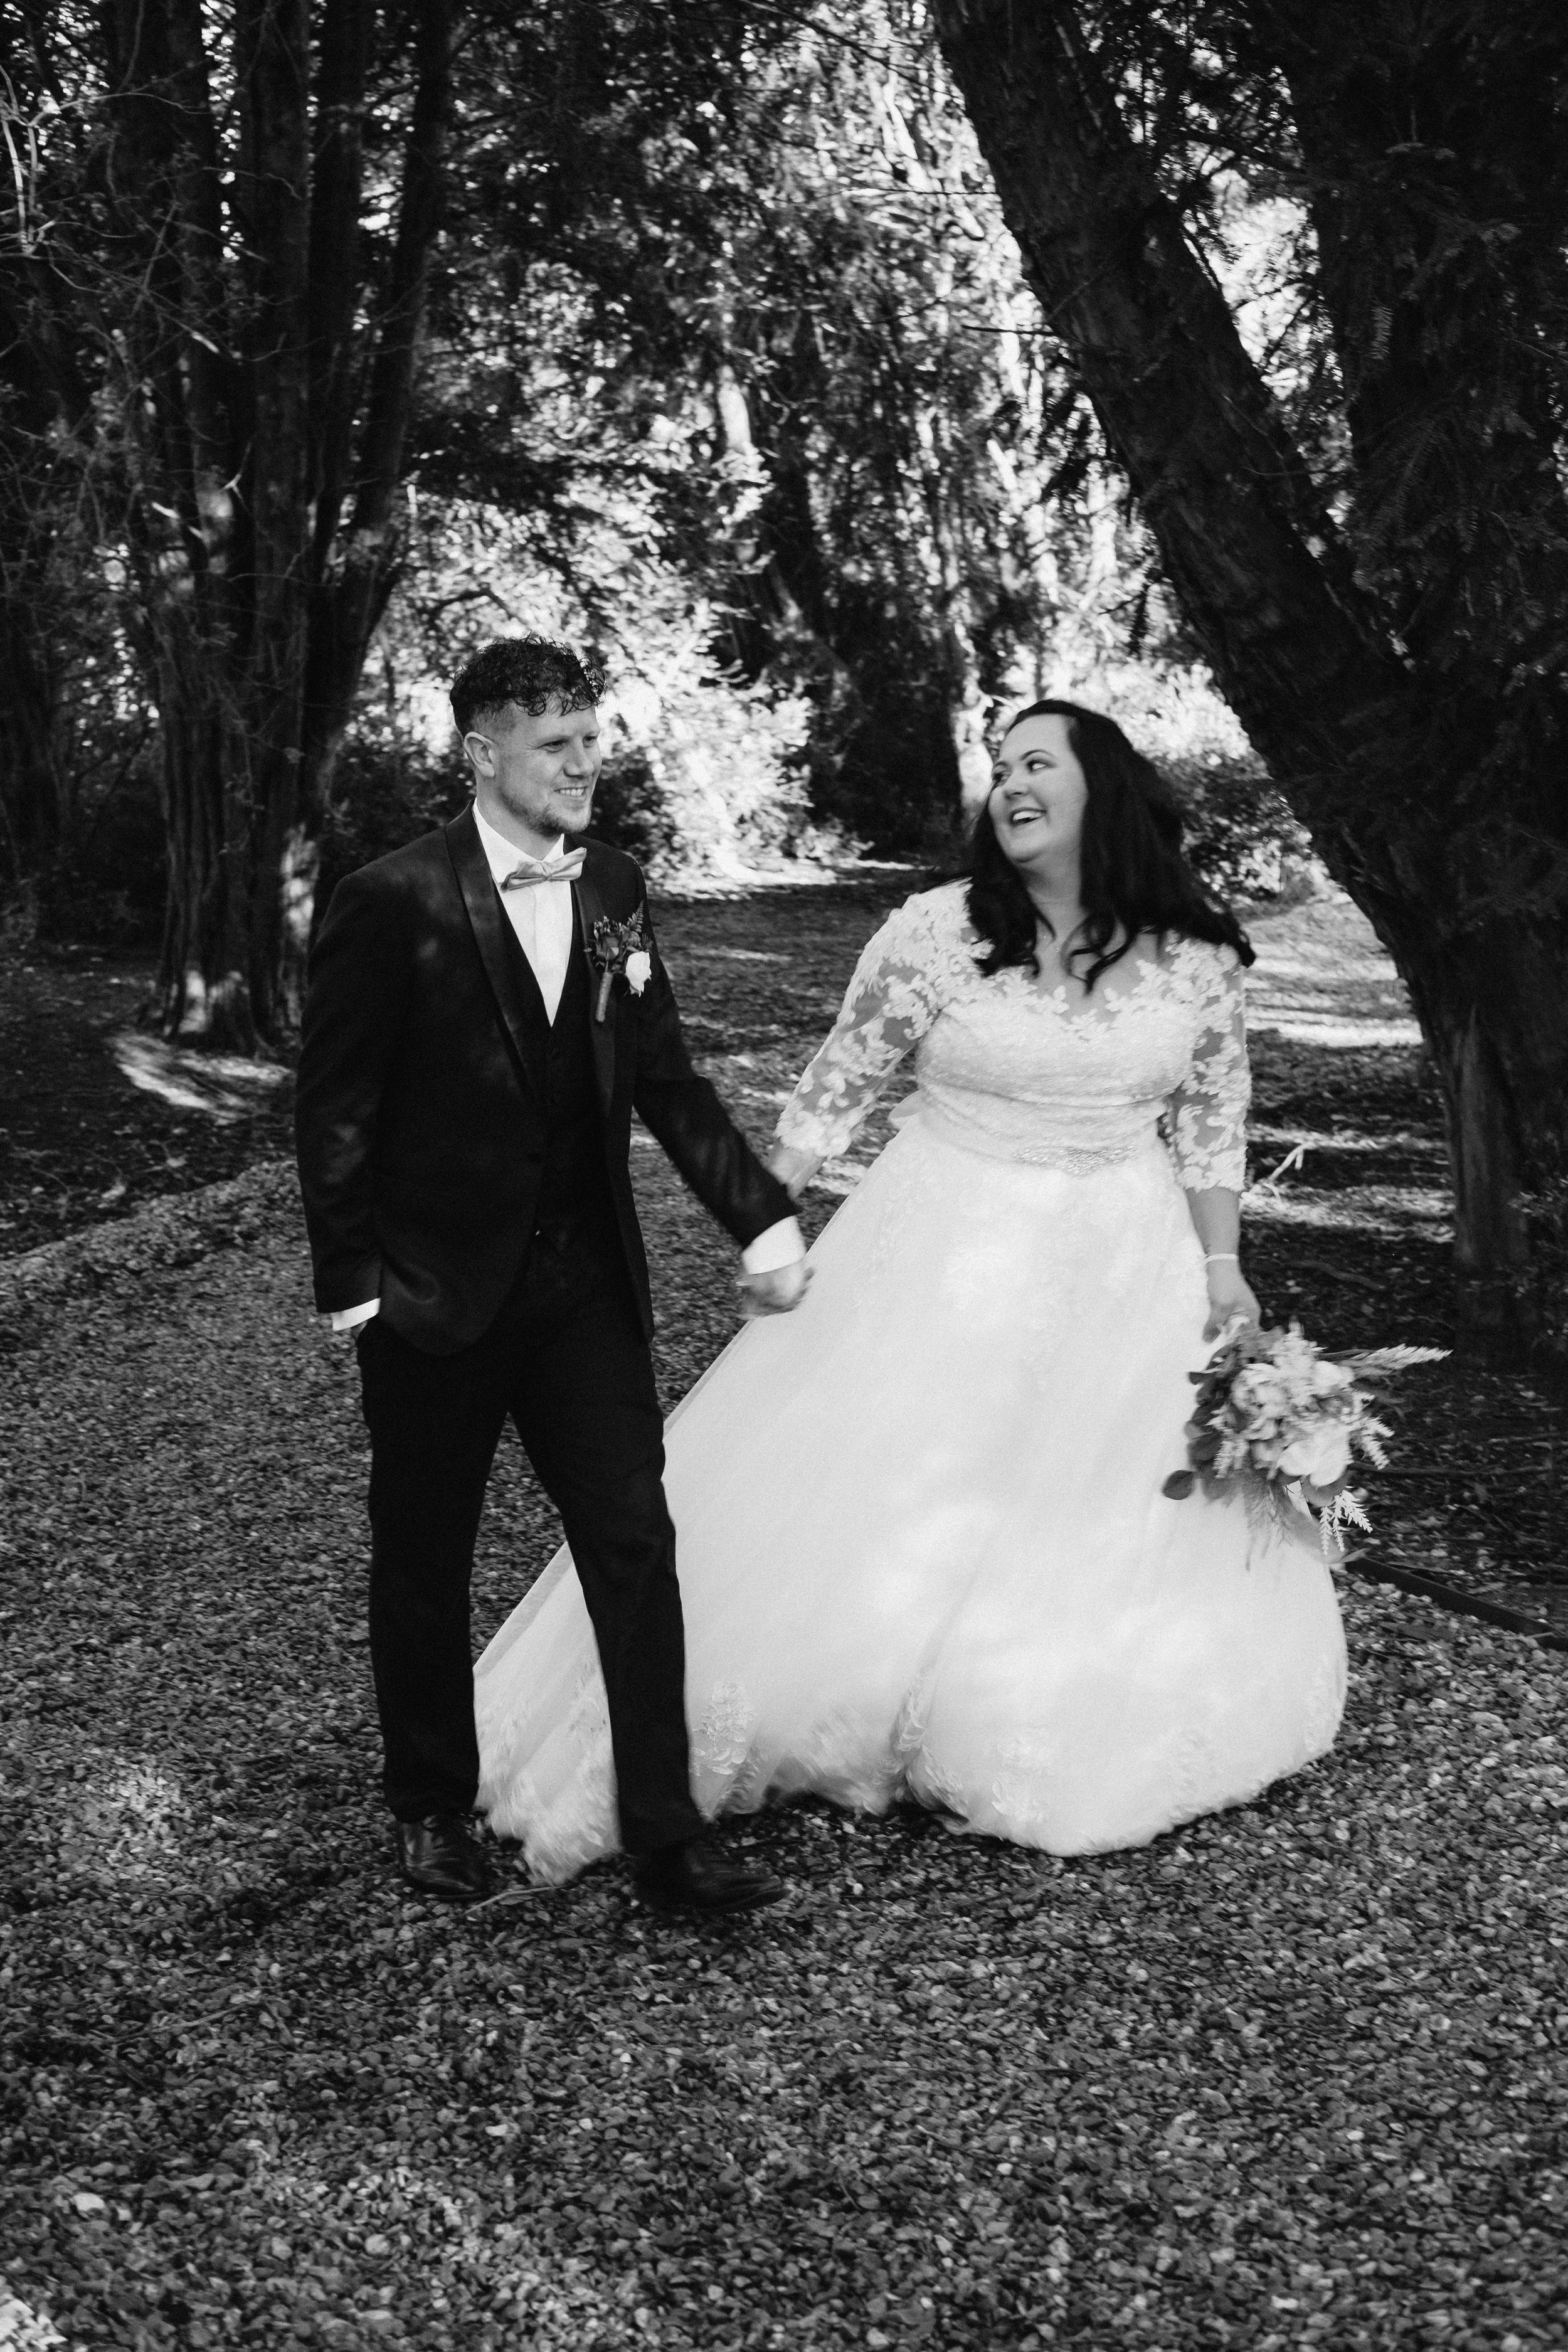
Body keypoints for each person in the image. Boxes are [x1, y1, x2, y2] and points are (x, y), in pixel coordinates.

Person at [474, 699, 1348, 1881]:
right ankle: (829, 1702)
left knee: (1090, 1484)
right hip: (944, 1234)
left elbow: (1211, 1124)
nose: (1011, 783)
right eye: (1001, 768)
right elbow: (841, 1081)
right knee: (875, 1475)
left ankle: (1026, 1698)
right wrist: (767, 1217)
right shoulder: (937, 929)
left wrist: (1222, 1266)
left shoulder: (1199, 955)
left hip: (1125, 1258)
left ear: (1105, 788)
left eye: (1038, 763)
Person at [295, 635, 808, 1912]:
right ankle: (428, 1805)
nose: (584, 764)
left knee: (633, 1541)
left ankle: (666, 1833)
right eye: (555, 745)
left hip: (584, 1287)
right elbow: (336, 1104)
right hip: (435, 1297)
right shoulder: (390, 899)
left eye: (590, 739)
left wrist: (758, 1218)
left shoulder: (613, 885)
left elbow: (665, 1075)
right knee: (426, 1556)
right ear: (482, 754)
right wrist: (354, 1286)